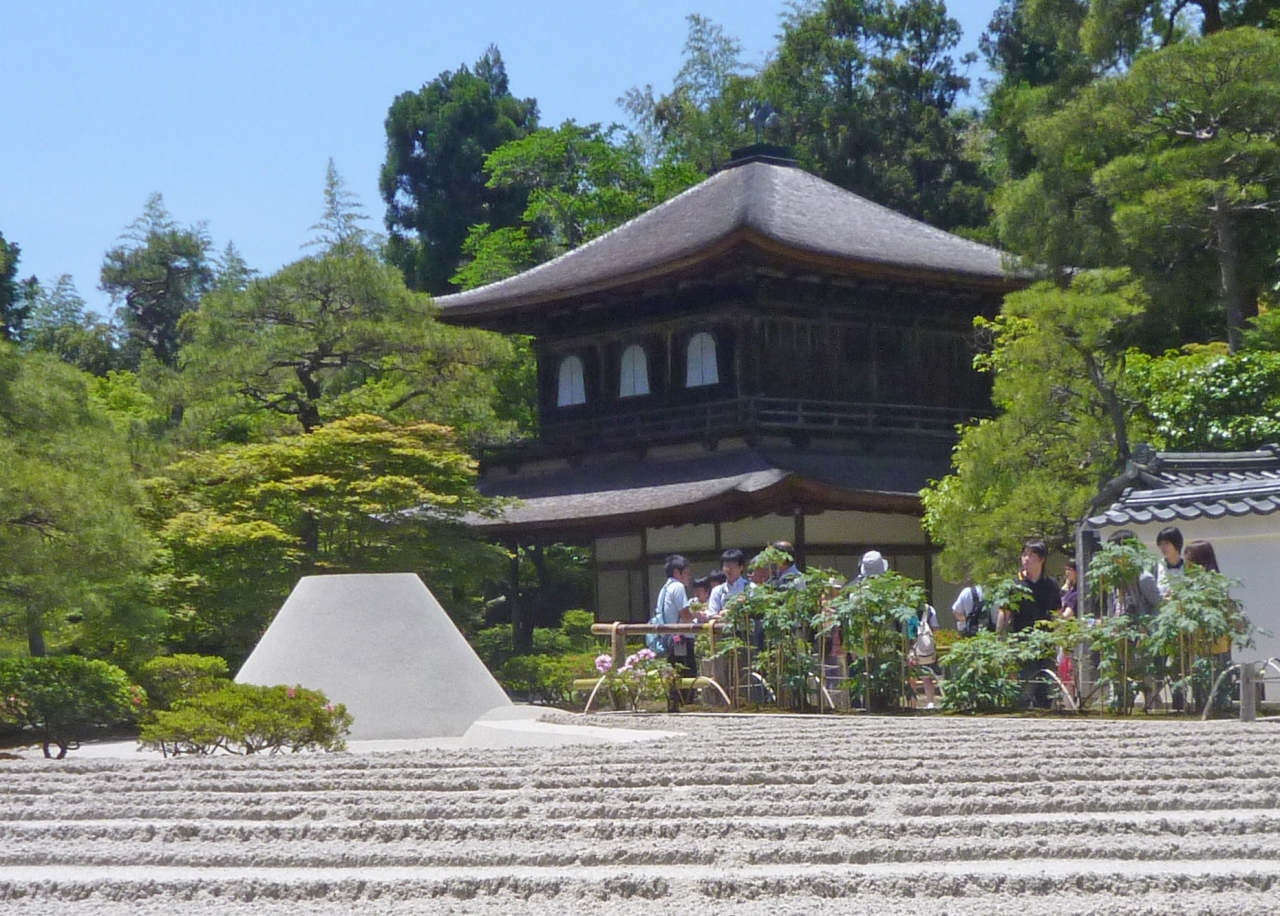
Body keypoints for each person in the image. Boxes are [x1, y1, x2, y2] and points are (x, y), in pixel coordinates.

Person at [998, 539, 1060, 709]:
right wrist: (1000, 641)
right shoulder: (1014, 585)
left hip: (1046, 644)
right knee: (1023, 691)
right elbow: (1004, 613)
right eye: (1024, 554)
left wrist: (1060, 638)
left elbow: (1057, 614)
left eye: (1031, 555)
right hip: (1022, 645)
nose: (1026, 559)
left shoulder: (1051, 585)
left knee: (1045, 691)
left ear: (1042, 559)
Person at [653, 555, 692, 709]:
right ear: (677, 572)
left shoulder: (664, 589)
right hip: (679, 637)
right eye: (686, 572)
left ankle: (673, 705)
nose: (689, 576)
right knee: (686, 671)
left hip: (667, 637)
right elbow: (685, 615)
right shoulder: (678, 587)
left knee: (673, 671)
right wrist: (698, 615)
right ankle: (685, 706)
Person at [907, 602, 940, 709]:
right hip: (926, 648)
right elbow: (935, 629)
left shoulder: (905, 609)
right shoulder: (929, 609)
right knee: (927, 675)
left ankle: (913, 704)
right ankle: (930, 701)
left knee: (911, 676)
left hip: (911, 646)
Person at [707, 548, 747, 617]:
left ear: (741, 567)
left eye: (732, 566)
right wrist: (725, 614)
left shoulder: (751, 588)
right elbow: (712, 615)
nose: (728, 569)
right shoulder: (717, 591)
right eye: (726, 566)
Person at [1155, 526, 1185, 598]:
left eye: (1166, 543)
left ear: (1176, 543)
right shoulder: (1156, 567)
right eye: (1160, 544)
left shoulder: (1188, 566)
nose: (1163, 547)